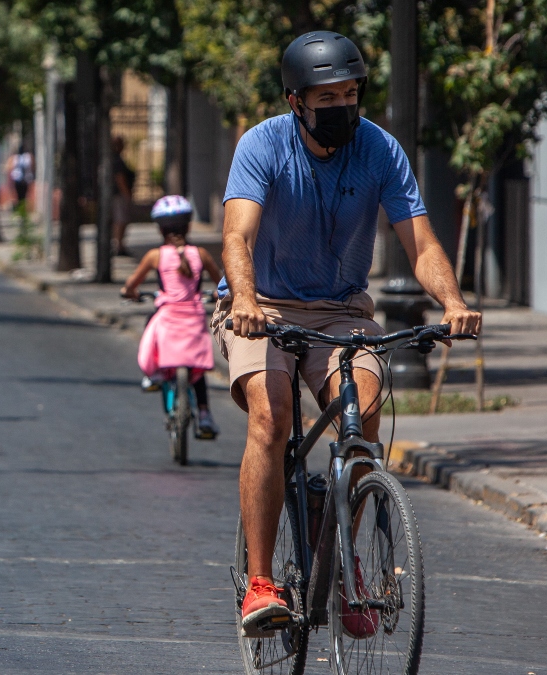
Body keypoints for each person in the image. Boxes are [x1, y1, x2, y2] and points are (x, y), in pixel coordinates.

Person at [214, 32, 482, 637]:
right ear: (296, 101)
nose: (342, 105)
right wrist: (247, 301)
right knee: (270, 416)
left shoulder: (380, 150)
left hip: (342, 311)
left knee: (360, 418)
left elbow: (419, 239)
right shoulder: (262, 145)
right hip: (267, 307)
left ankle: (341, 566)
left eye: (351, 93)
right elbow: (237, 236)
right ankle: (261, 583)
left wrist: (454, 301)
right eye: (327, 95)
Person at [121, 195, 223, 439]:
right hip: (195, 319)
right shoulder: (201, 254)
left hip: (168, 318)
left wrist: (130, 292)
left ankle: (154, 374)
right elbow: (223, 285)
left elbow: (130, 285)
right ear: (188, 226)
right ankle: (205, 414)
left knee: (150, 325)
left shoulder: (155, 256)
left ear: (159, 229)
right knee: (195, 370)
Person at [111, 136, 135, 257]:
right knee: (120, 220)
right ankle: (118, 245)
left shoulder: (115, 159)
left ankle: (119, 244)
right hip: (119, 195)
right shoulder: (117, 161)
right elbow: (120, 179)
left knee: (120, 220)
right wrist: (127, 194)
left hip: (117, 195)